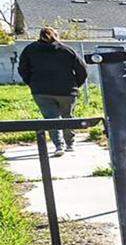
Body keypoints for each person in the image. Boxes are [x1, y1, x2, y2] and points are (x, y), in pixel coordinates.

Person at [16, 27, 88, 158]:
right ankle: (70, 143)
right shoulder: (67, 50)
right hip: (67, 90)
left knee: (51, 119)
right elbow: (82, 69)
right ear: (56, 35)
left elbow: (22, 69)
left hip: (41, 91)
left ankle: (59, 146)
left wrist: (32, 83)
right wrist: (76, 85)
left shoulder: (30, 50)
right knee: (68, 116)